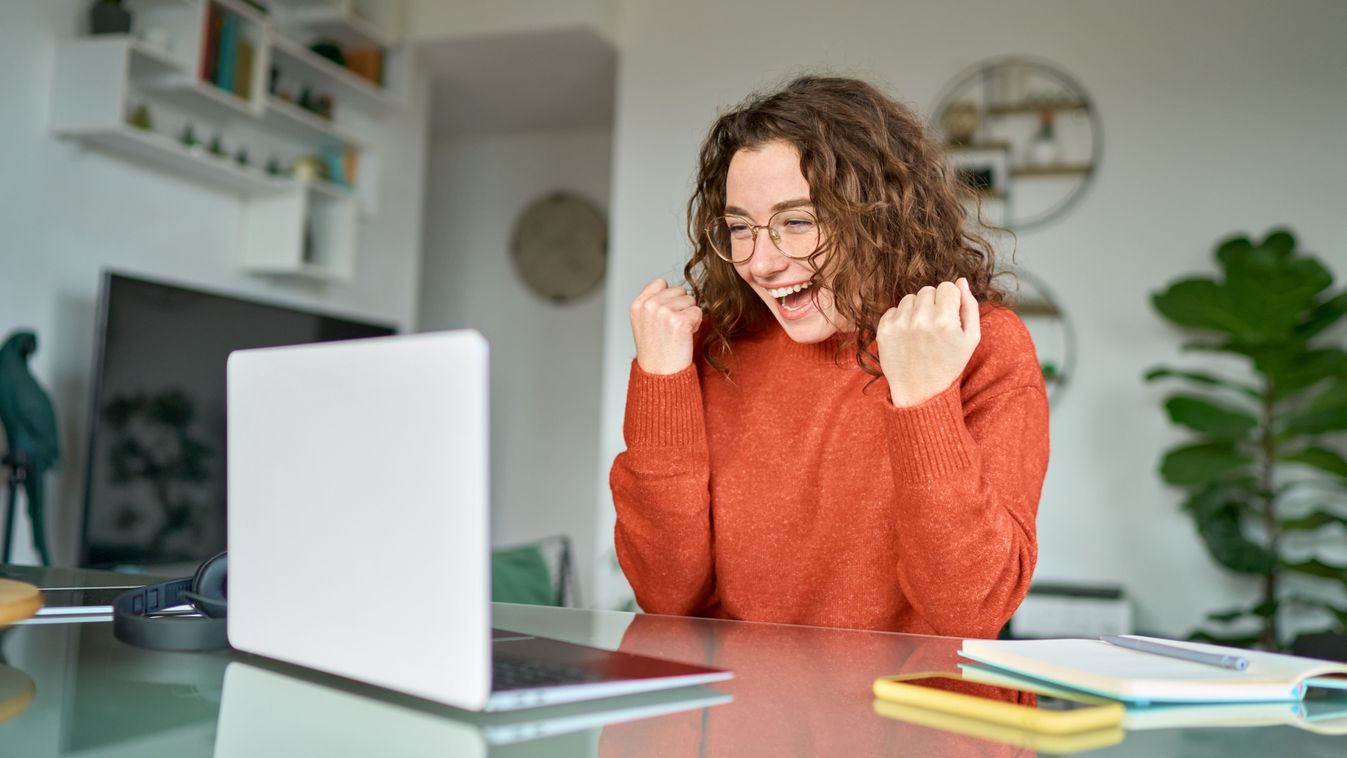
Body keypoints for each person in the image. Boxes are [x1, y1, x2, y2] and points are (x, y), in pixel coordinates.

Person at [610, 75, 1049, 639]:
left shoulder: (980, 343)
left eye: (797, 221)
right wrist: (661, 383)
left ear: (880, 214)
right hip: (745, 719)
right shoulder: (711, 349)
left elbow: (967, 608)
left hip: (916, 720)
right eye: (740, 227)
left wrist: (923, 401)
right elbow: (664, 597)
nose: (761, 262)